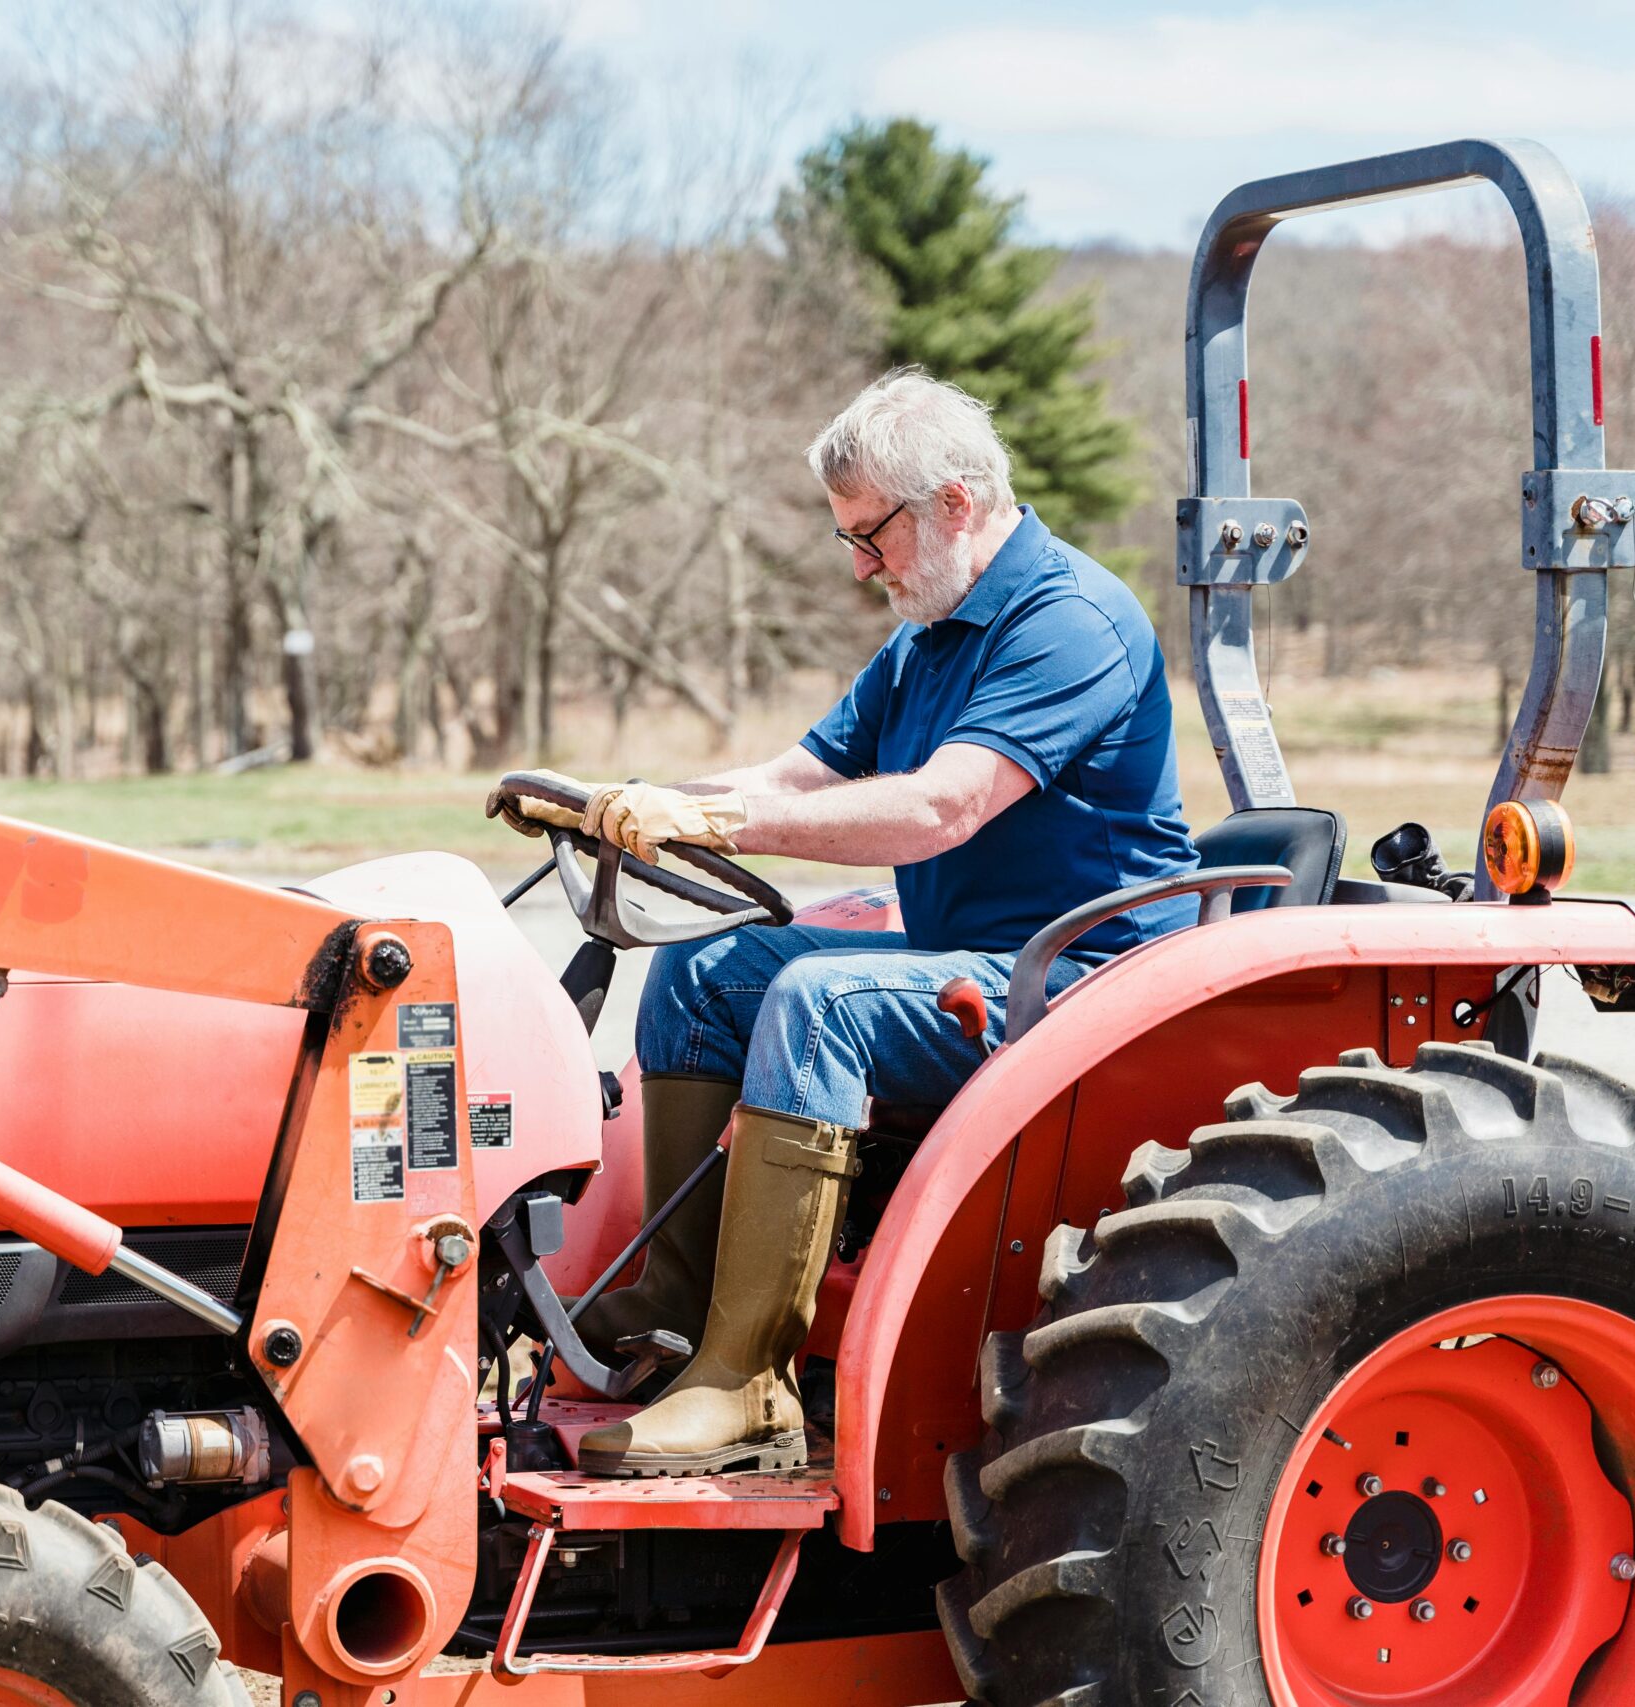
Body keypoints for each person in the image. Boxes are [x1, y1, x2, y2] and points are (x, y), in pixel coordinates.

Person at [494, 369, 1198, 1476]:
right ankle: (676, 1302)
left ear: (954, 505)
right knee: (707, 971)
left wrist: (720, 825)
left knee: (817, 1000)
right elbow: (796, 775)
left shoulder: (1070, 621)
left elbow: (938, 807)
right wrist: (631, 809)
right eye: (850, 543)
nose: (865, 568)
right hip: (966, 955)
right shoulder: (928, 633)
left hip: (1080, 976)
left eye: (873, 536)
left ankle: (747, 1383)